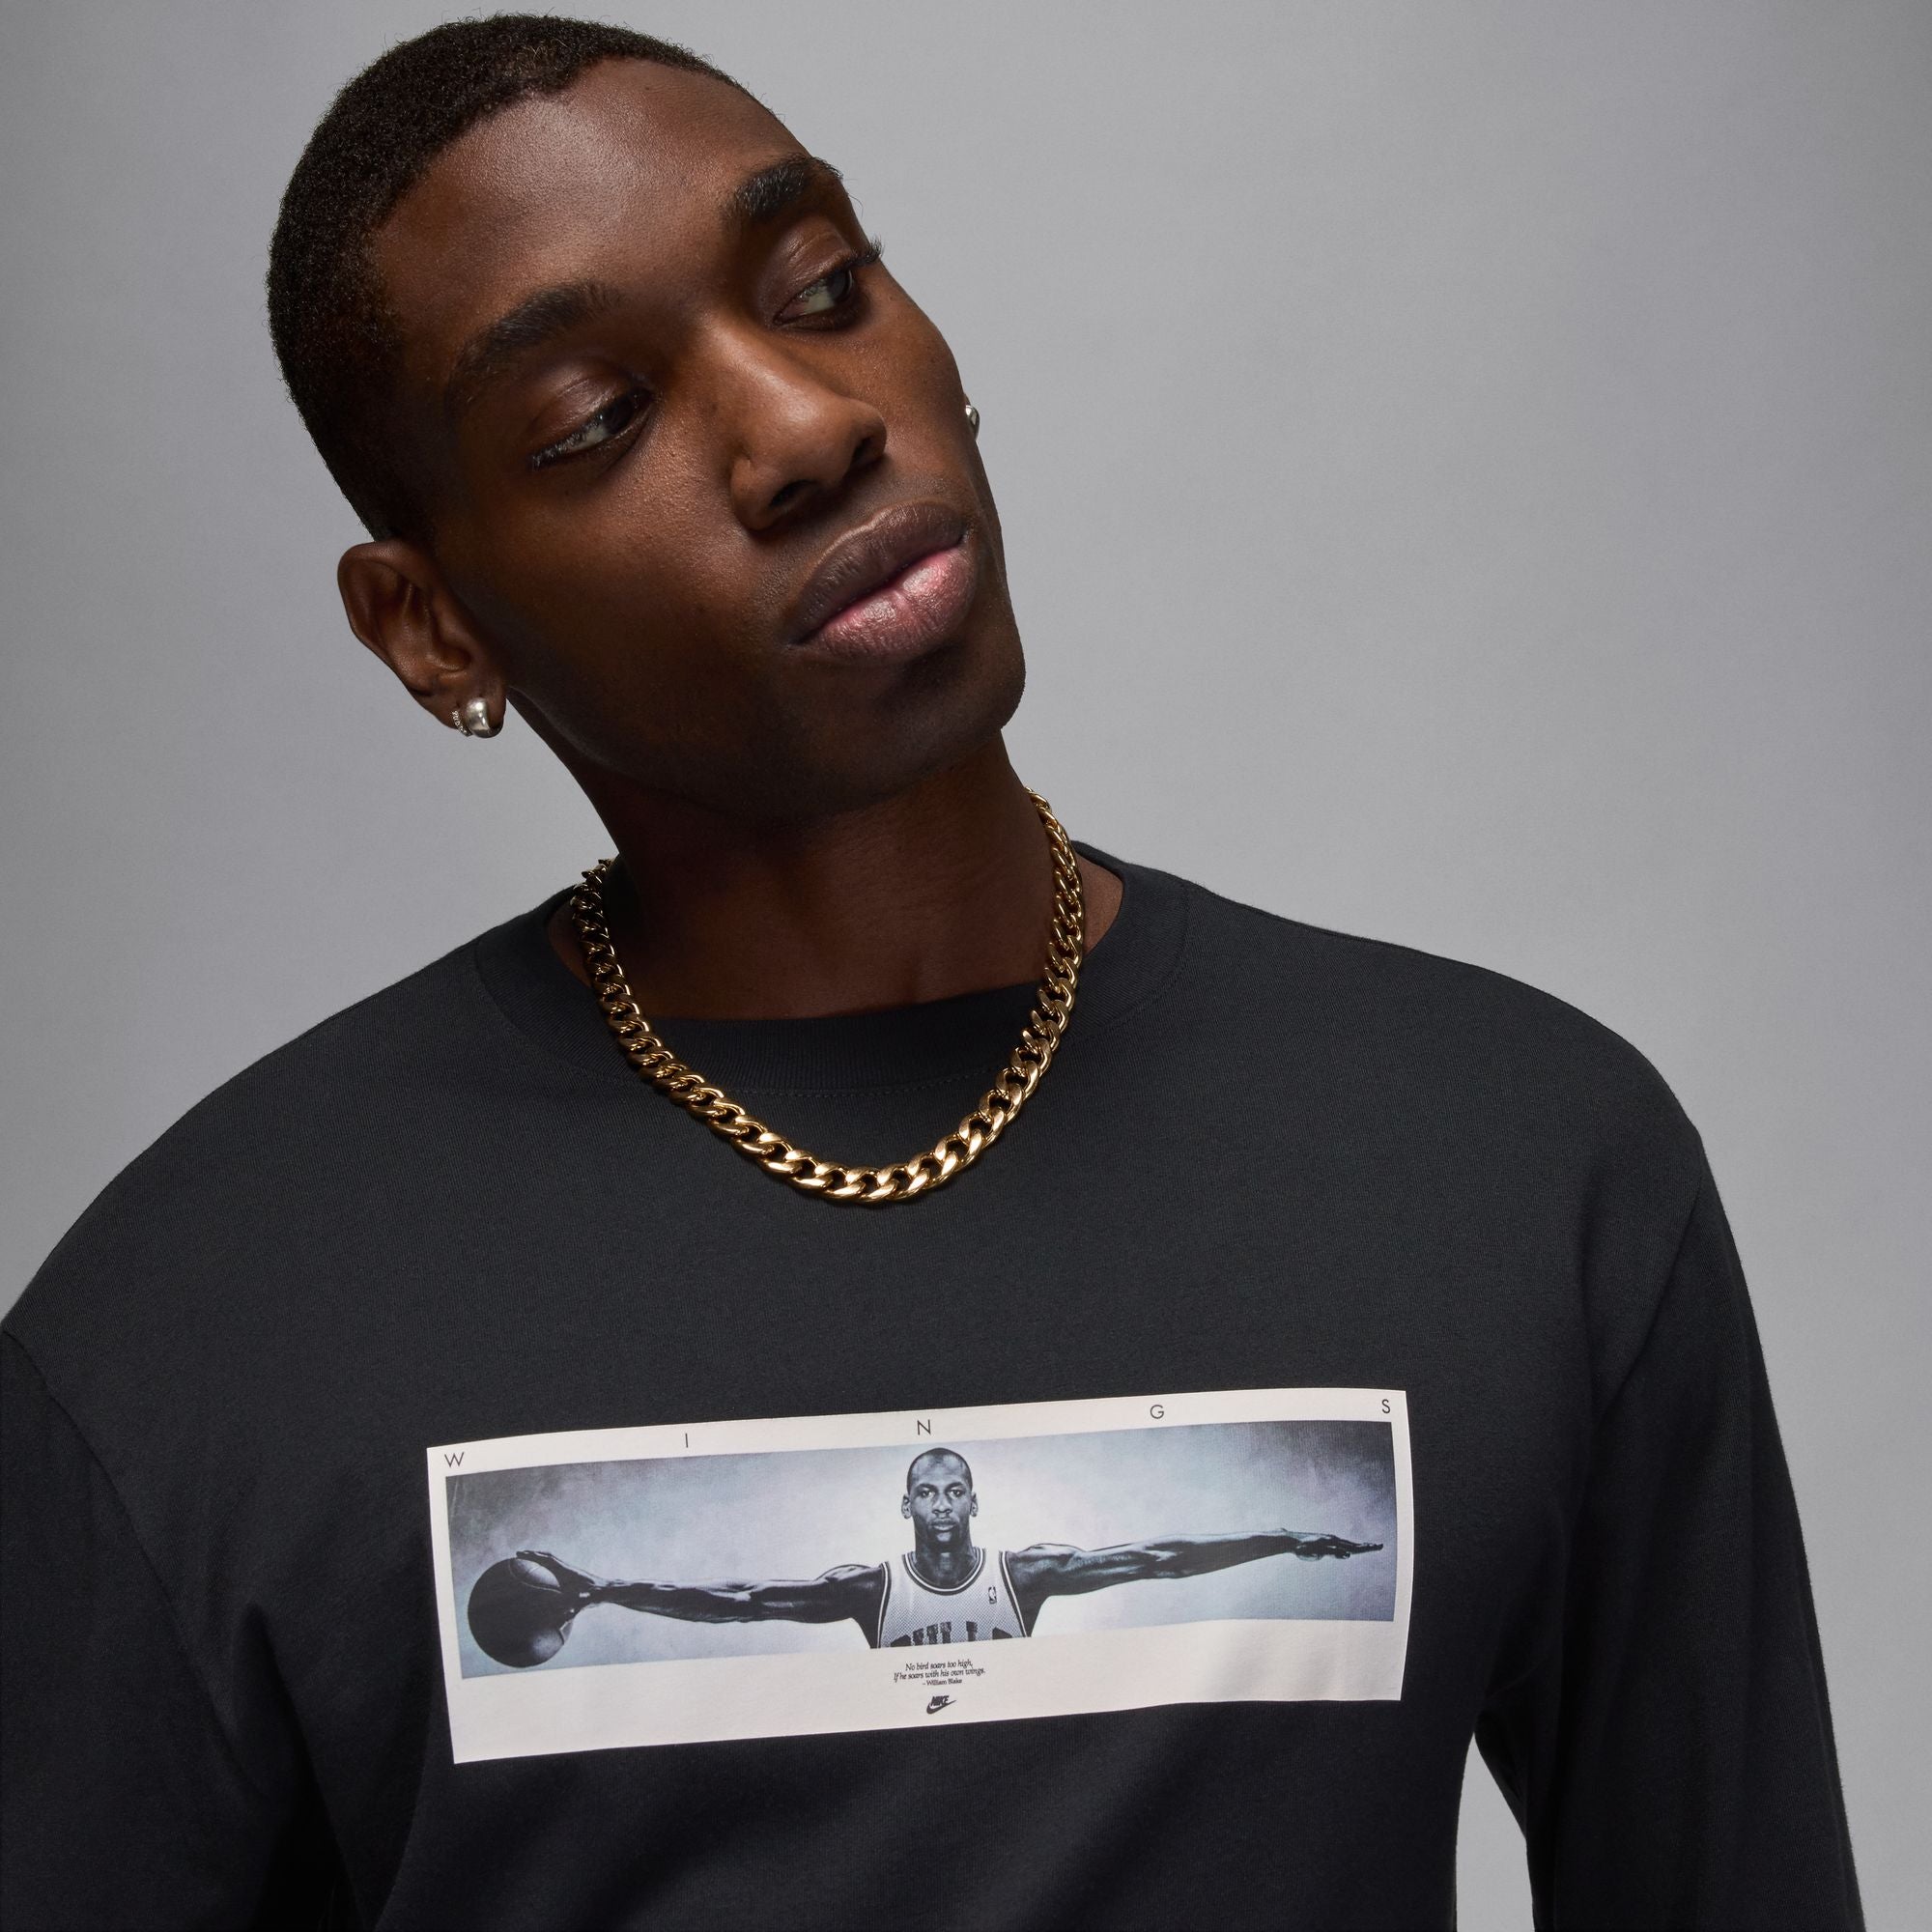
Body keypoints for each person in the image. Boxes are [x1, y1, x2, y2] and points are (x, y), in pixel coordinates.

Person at [0, 14, 1863, 1930]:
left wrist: (1301, 1535)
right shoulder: (196, 1334)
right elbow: (717, 1596)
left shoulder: (1516, 1167)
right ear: (430, 626)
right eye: (594, 421)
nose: (809, 426)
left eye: (822, 288)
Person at [472, 1445, 1383, 1661]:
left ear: (973, 1503)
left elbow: (1159, 1557)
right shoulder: (868, 1591)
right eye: (927, 1493)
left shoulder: (1025, 1575)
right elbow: (740, 1601)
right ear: (905, 1505)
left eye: (955, 1492)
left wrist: (1281, 1538)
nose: (942, 1505)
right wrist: (604, 1589)